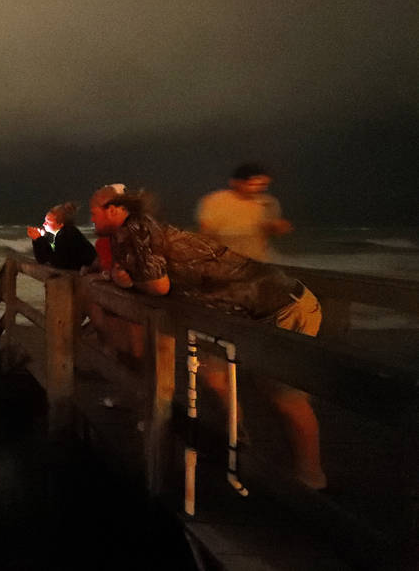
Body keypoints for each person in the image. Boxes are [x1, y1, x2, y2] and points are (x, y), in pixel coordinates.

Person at [89, 185, 326, 489]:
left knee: (285, 397)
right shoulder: (122, 237)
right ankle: (237, 445)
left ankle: (311, 479)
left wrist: (130, 280)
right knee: (214, 377)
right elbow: (135, 276)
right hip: (236, 316)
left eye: (94, 209)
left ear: (114, 209)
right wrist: (125, 278)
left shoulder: (140, 228)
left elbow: (158, 286)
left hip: (280, 306)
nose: (91, 216)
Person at [196, 163, 293, 261]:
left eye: (263, 185)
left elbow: (268, 231)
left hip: (257, 260)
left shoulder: (268, 202)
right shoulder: (215, 201)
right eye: (253, 184)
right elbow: (207, 233)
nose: (260, 188)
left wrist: (276, 228)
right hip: (226, 261)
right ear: (236, 182)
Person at [26, 202, 97, 271]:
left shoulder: (67, 234)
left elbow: (57, 262)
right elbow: (44, 259)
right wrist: (38, 239)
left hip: (89, 274)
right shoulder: (64, 233)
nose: (44, 224)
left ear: (60, 224)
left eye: (48, 221)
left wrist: (39, 239)